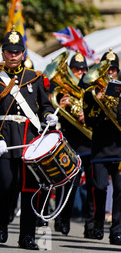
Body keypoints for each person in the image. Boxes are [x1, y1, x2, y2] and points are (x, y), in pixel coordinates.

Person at [0, 27, 57, 250]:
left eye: (17, 52)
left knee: (30, 189)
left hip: (30, 141)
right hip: (6, 141)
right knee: (5, 186)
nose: (13, 56)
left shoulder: (35, 78)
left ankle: (27, 236)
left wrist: (48, 115)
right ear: (3, 54)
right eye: (9, 52)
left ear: (23, 53)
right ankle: (2, 221)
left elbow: (44, 105)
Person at [51, 51, 94, 236]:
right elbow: (56, 117)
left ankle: (91, 226)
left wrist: (88, 114)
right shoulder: (62, 91)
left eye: (83, 69)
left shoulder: (90, 90)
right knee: (69, 185)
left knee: (93, 186)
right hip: (71, 143)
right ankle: (63, 219)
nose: (80, 72)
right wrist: (60, 105)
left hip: (89, 143)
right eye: (76, 69)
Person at [83, 49, 121, 245]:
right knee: (99, 187)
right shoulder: (90, 94)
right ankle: (97, 225)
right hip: (99, 149)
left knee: (120, 190)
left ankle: (117, 231)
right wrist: (99, 101)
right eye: (107, 69)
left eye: (113, 70)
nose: (110, 73)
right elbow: (89, 120)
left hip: (119, 148)